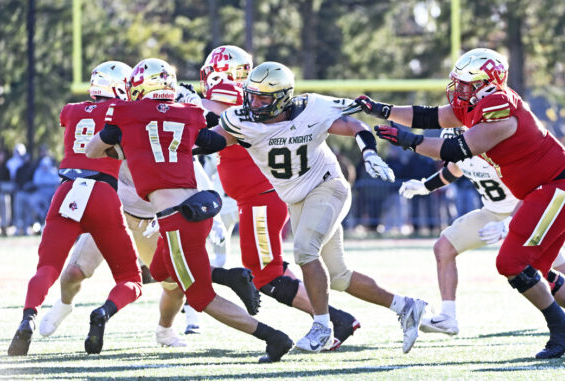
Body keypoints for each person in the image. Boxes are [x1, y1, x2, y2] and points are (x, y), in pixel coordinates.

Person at [357, 48, 565, 358]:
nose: (460, 90)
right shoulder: (477, 103)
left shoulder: (499, 107)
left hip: (556, 189)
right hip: (544, 191)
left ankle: (563, 327)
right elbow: (431, 116)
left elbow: (456, 149)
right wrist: (381, 109)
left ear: (488, 84)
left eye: (468, 84)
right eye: (460, 83)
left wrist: (409, 141)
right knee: (537, 269)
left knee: (510, 263)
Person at [194, 61, 428, 354]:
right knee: (340, 277)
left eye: (263, 98)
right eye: (251, 95)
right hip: (296, 197)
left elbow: (355, 124)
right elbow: (213, 141)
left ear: (282, 97)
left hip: (327, 186)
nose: (254, 103)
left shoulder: (311, 108)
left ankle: (322, 327)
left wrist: (369, 154)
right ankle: (406, 306)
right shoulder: (241, 118)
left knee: (304, 250)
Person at [85, 58, 292, 363]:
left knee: (200, 297)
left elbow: (92, 150)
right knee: (158, 271)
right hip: (197, 208)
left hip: (175, 220)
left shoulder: (125, 115)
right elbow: (211, 141)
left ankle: (273, 338)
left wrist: (121, 141)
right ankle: (231, 276)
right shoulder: (188, 113)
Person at [399, 128, 565, 342]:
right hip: (491, 214)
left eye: (450, 148)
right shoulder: (461, 156)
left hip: (524, 215)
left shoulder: (494, 153)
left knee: (557, 271)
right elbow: (451, 171)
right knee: (443, 247)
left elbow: (531, 191)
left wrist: (509, 224)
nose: (448, 155)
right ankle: (448, 316)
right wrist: (423, 186)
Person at [188, 45, 360, 350]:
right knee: (268, 271)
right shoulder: (241, 101)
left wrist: (187, 100)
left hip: (261, 197)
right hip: (253, 198)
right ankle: (334, 317)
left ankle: (335, 319)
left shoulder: (235, 101)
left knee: (267, 275)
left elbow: (214, 111)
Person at [38, 159, 261, 347]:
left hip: (151, 221)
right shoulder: (119, 121)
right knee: (74, 272)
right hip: (113, 211)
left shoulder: (167, 124)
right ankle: (64, 305)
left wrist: (216, 219)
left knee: (174, 281)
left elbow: (193, 168)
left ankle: (165, 330)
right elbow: (89, 156)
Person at [7, 61, 143, 356]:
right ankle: (103, 313)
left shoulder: (70, 110)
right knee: (131, 278)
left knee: (47, 268)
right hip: (103, 195)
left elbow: (81, 120)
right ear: (120, 87)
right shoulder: (126, 112)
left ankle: (28, 317)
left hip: (67, 190)